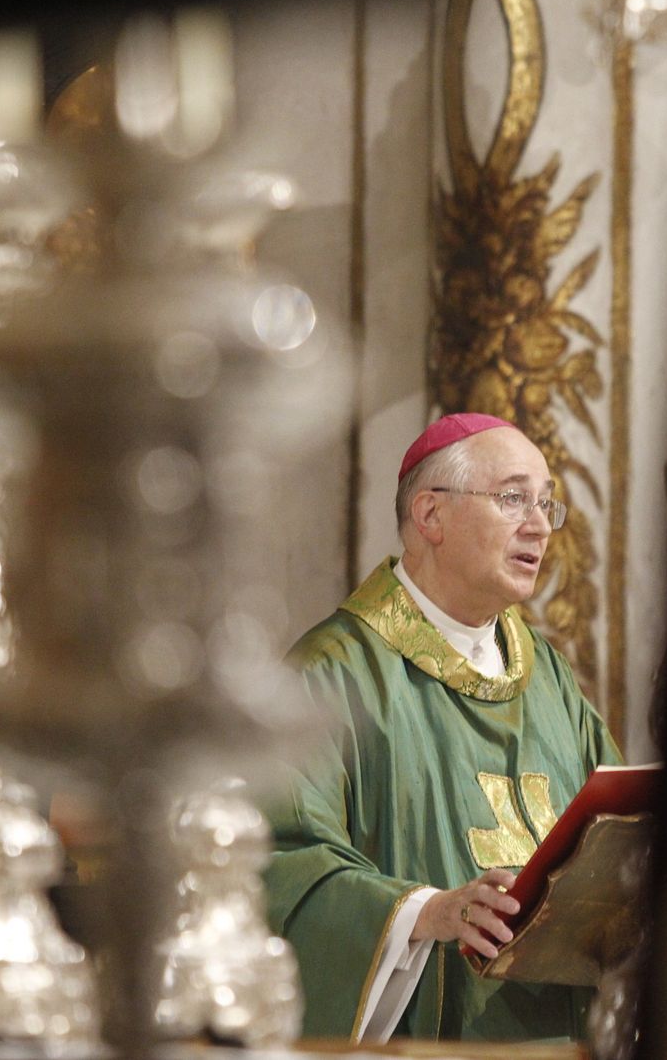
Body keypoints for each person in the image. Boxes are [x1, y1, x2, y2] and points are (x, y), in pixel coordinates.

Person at [263, 412, 621, 1042]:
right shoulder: (332, 673)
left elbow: (615, 828)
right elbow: (281, 863)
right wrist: (429, 912)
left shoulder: (549, 678)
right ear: (430, 516)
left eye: (545, 503)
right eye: (512, 498)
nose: (539, 525)